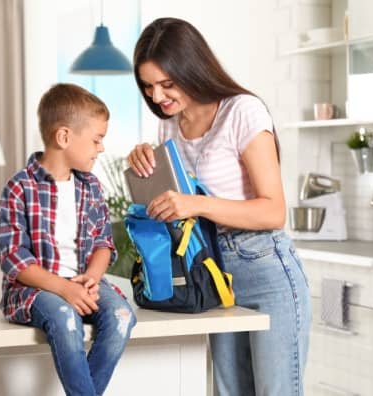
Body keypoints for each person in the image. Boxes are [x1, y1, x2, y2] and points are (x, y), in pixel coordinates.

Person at [128, 17, 311, 396]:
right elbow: (176, 201)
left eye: (166, 84)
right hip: (213, 273)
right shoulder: (171, 123)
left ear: (190, 68)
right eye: (148, 87)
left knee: (274, 391)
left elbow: (273, 211)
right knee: (229, 391)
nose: (158, 96)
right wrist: (146, 163)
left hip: (264, 268)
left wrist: (196, 204)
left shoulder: (242, 111)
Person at [0, 83, 136, 396]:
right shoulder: (19, 188)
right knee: (64, 318)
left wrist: (92, 277)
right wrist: (63, 288)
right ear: (63, 137)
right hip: (36, 290)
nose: (101, 148)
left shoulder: (91, 187)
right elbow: (13, 259)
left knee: (123, 317)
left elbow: (103, 243)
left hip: (85, 282)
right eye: (97, 140)